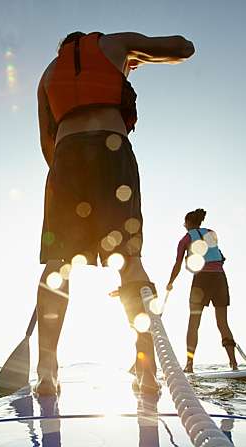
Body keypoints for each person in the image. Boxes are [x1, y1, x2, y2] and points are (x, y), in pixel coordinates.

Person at [36, 31, 195, 395]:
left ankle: (47, 369)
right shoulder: (114, 43)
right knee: (129, 260)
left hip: (65, 159)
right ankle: (146, 368)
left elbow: (47, 140)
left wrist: (67, 184)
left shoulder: (47, 73)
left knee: (57, 265)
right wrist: (132, 58)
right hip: (111, 148)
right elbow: (183, 48)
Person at [166, 208, 238, 373]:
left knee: (194, 323)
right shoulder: (212, 233)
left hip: (201, 281)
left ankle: (189, 365)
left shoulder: (185, 238)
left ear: (188, 223)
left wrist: (170, 282)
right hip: (220, 278)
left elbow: (178, 264)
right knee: (222, 323)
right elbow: (217, 256)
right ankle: (233, 363)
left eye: (185, 223)